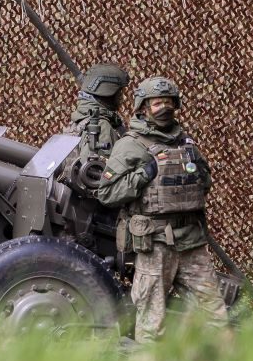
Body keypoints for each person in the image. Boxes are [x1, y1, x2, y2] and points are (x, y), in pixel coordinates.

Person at [96, 76, 228, 343]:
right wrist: (143, 175)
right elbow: (107, 193)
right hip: (155, 245)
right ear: (143, 107)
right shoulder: (131, 145)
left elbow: (204, 184)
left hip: (191, 242)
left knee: (215, 316)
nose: (164, 108)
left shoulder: (185, 142)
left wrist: (199, 175)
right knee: (151, 325)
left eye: (168, 102)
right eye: (157, 103)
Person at [63, 63, 130, 157]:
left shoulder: (79, 119)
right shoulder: (101, 126)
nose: (122, 98)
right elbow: (102, 169)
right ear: (108, 93)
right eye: (119, 92)